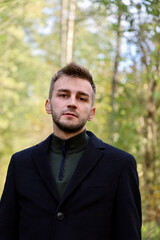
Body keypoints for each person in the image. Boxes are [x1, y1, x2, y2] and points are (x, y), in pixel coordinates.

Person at [0, 62, 141, 240]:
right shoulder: (20, 163)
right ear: (48, 105)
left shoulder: (120, 164)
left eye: (82, 98)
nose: (72, 103)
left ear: (91, 112)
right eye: (63, 95)